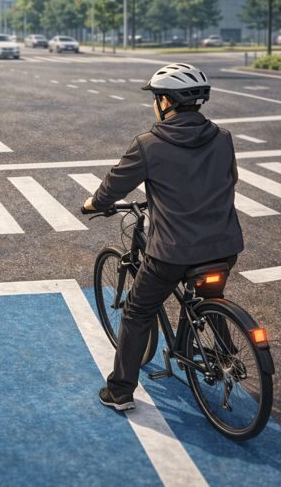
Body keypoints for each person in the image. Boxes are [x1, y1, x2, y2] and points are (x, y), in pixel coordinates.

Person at [82, 63, 244, 411]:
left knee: (137, 313)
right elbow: (231, 180)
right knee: (209, 292)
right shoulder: (223, 137)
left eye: (156, 98)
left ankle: (120, 392)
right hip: (224, 245)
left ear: (166, 101)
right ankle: (225, 354)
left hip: (172, 251)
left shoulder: (149, 144)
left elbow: (112, 188)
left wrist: (94, 203)